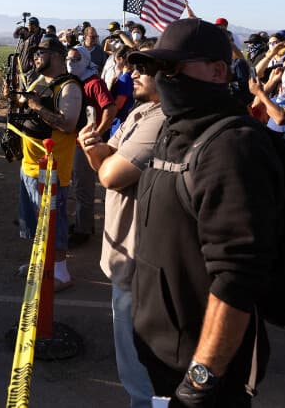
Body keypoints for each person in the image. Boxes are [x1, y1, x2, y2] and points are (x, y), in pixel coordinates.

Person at [127, 18, 281, 406]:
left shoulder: (232, 146)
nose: (164, 77)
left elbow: (236, 278)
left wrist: (199, 383)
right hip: (161, 357)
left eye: (174, 66)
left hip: (203, 376)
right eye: (158, 67)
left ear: (217, 71)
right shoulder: (176, 131)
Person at [77, 42, 164, 408]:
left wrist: (97, 155)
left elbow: (111, 176)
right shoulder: (139, 114)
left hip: (140, 260)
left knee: (144, 375)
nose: (134, 73)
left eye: (144, 66)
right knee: (133, 366)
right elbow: (106, 161)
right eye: (133, 65)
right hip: (124, 255)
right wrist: (92, 148)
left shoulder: (162, 120)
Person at [15, 36, 81, 291]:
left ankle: (61, 272)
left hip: (52, 169)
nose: (35, 58)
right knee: (33, 220)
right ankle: (39, 262)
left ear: (55, 55)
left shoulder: (69, 87)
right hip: (30, 166)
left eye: (39, 53)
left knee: (54, 222)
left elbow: (68, 123)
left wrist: (35, 105)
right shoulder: (42, 81)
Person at [65, 47, 115, 245]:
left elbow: (110, 108)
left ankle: (83, 230)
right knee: (77, 184)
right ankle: (82, 222)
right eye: (68, 58)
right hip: (73, 140)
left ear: (85, 60)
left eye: (76, 58)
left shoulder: (93, 82)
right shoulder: (73, 81)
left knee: (83, 187)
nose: (71, 62)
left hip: (85, 143)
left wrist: (98, 132)